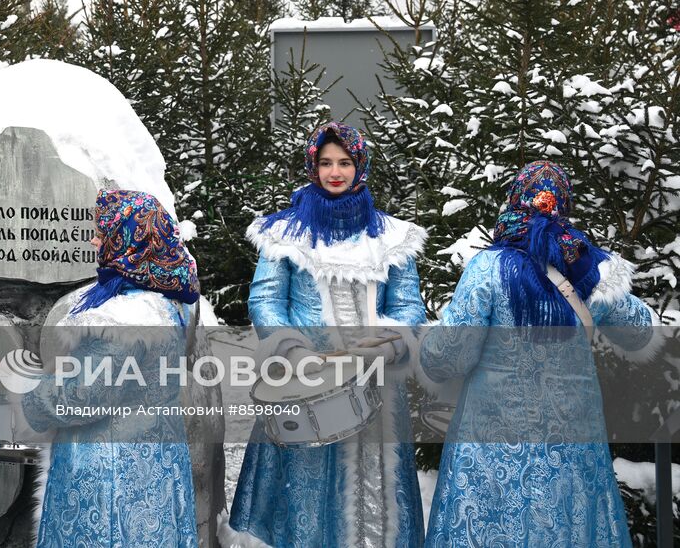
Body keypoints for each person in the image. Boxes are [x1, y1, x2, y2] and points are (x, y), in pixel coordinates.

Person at [420, 161, 661, 547]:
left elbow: (447, 356)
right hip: (573, 449)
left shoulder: (489, 267)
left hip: (491, 449)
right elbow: (640, 334)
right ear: (562, 206)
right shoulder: (590, 268)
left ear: (515, 202)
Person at [224, 122, 428, 548]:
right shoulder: (283, 234)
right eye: (326, 163)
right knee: (306, 486)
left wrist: (392, 344)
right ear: (312, 167)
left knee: (380, 488)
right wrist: (292, 351)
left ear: (360, 166)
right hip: (307, 383)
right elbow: (265, 301)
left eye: (345, 162)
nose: (335, 172)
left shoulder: (393, 238)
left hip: (379, 384)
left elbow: (409, 306)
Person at [22, 188, 203, 548]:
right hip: (156, 463)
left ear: (127, 240)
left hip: (109, 475)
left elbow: (82, 397)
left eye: (102, 233)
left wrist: (29, 391)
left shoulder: (120, 319)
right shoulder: (167, 302)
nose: (93, 239)